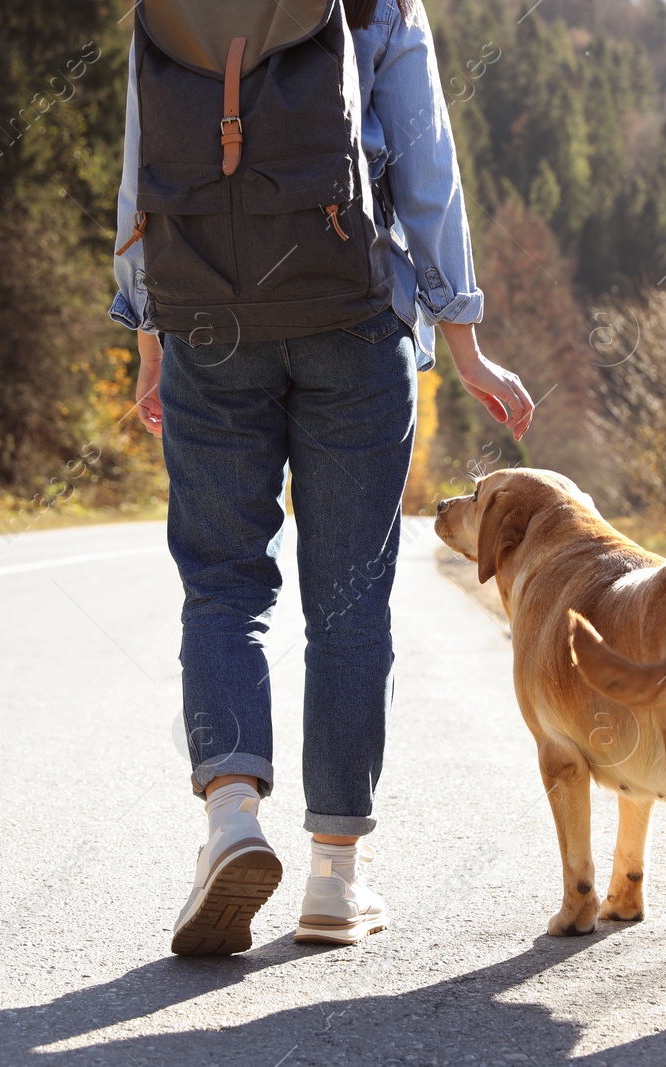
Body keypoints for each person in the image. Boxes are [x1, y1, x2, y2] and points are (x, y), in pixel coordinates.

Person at [109, 0, 533, 955]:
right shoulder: (384, 6)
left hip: (205, 318)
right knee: (348, 602)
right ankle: (335, 881)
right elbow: (427, 169)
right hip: (353, 314)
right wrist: (464, 340)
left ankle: (231, 818)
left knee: (222, 585)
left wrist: (148, 334)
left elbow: (142, 166)